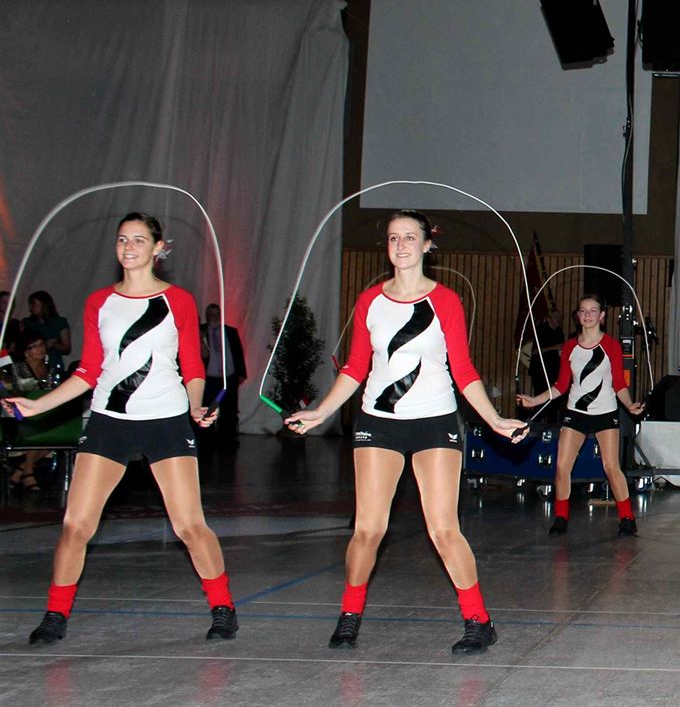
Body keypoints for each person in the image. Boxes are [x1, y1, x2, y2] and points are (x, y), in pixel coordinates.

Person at [283, 210, 528, 655]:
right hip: (378, 423)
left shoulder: (446, 301)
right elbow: (355, 368)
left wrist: (494, 419)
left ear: (427, 245)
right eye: (394, 238)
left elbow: (463, 369)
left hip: (435, 421)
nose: (400, 245)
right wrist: (320, 412)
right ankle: (349, 615)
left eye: (410, 237)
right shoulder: (370, 301)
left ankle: (479, 621)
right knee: (367, 529)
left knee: (444, 530)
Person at [3, 213, 235, 645]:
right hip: (109, 421)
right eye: (122, 239)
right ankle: (55, 614)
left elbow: (192, 364)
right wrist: (37, 405)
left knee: (189, 525)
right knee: (76, 525)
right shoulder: (99, 302)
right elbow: (88, 370)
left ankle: (222, 607)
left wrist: (196, 405)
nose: (129, 247)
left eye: (139, 240)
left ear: (158, 248)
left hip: (165, 419)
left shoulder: (178, 300)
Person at [516, 293, 644, 537]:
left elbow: (619, 382)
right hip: (575, 413)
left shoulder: (611, 346)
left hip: (605, 412)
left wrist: (629, 405)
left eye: (593, 310)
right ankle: (561, 518)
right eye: (583, 310)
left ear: (602, 316)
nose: (587, 315)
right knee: (562, 466)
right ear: (577, 316)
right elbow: (561, 385)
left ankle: (627, 518)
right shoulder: (570, 347)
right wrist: (535, 400)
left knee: (611, 466)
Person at [5, 335, 56, 491]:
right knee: (40, 428)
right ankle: (27, 472)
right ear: (26, 352)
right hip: (18, 416)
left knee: (54, 432)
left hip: (42, 415)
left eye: (42, 344)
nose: (40, 349)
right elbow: (24, 394)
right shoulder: (18, 369)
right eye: (35, 346)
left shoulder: (50, 370)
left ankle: (21, 470)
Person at [198, 303, 247, 449]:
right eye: (211, 314)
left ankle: (228, 442)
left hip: (228, 377)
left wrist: (241, 373)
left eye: (216, 314)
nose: (214, 317)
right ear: (207, 316)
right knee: (207, 410)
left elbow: (238, 352)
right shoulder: (200, 331)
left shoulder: (230, 331)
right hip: (208, 379)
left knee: (229, 411)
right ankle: (206, 443)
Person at [23, 291, 72, 371]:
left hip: (53, 362)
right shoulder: (27, 323)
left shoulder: (59, 322)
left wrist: (53, 344)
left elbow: (67, 348)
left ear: (43, 304)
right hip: (33, 363)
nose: (31, 307)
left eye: (34, 303)